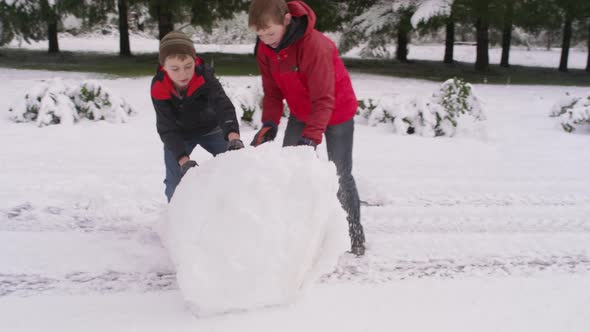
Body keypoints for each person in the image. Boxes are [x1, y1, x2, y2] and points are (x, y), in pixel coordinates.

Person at [248, 0, 366, 256]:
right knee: (290, 171)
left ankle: (353, 234)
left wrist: (310, 139)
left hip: (337, 111)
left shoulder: (315, 46)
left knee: (341, 173)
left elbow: (324, 99)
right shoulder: (266, 50)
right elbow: (272, 92)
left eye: (270, 33)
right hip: (302, 112)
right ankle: (299, 234)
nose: (266, 40)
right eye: (260, 35)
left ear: (287, 20)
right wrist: (269, 123)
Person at [151, 31, 244, 202]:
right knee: (174, 184)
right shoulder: (159, 86)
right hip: (180, 135)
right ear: (164, 66)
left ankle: (238, 208)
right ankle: (177, 222)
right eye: (175, 69)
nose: (183, 74)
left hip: (211, 129)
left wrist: (233, 136)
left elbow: (222, 104)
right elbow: (167, 127)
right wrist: (183, 159)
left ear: (195, 60)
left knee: (238, 165)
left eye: (188, 66)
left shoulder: (204, 76)